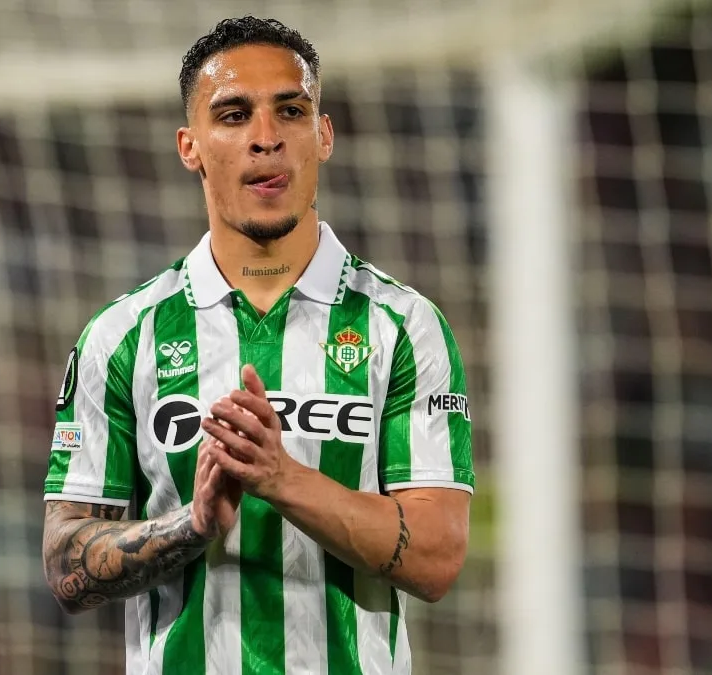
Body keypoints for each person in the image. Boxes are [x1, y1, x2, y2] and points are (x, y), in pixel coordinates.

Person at [41, 15, 474, 674]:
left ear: (323, 135)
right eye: (234, 115)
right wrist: (194, 524)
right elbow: (66, 564)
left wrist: (284, 479)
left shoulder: (404, 327)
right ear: (189, 146)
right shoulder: (123, 336)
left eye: (290, 111)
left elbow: (438, 557)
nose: (265, 137)